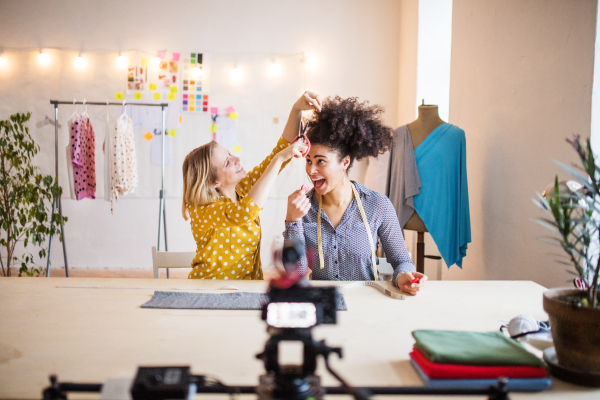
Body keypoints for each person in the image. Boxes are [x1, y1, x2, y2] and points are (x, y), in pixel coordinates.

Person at [283, 96, 427, 295]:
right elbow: (295, 274)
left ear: (345, 162)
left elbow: (402, 261)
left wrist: (404, 276)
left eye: (320, 161)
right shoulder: (303, 209)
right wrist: (292, 221)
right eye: (308, 161)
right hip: (324, 305)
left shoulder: (377, 205)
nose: (311, 170)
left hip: (367, 305)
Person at [182, 91, 322, 280]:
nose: (236, 158)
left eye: (230, 153)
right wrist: (280, 158)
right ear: (214, 182)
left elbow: (281, 150)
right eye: (227, 162)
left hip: (247, 288)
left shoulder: (242, 189)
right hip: (211, 291)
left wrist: (296, 109)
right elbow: (246, 211)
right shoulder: (203, 208)